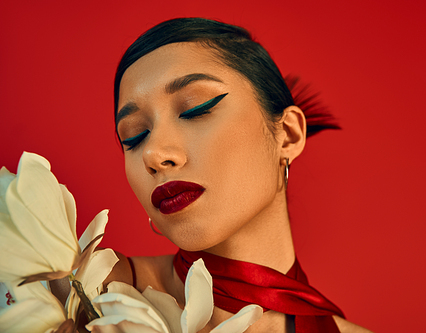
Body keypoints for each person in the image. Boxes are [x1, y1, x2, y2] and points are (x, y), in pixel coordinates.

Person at [60, 17, 372, 333]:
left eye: (196, 109)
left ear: (288, 135)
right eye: (134, 136)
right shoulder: (83, 293)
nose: (153, 154)